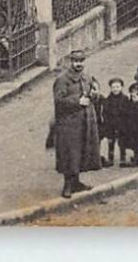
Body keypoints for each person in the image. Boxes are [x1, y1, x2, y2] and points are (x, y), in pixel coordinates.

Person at [52, 49, 101, 198]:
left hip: (85, 120)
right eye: (75, 61)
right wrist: (77, 101)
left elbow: (95, 92)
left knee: (82, 151)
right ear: (70, 62)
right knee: (70, 153)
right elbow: (58, 101)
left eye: (81, 61)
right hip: (69, 122)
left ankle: (77, 183)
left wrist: (95, 94)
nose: (78, 64)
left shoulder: (87, 77)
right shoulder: (62, 80)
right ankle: (67, 185)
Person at [102, 77, 131, 167]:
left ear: (121, 87)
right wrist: (107, 122)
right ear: (110, 88)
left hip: (122, 124)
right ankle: (110, 158)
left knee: (122, 142)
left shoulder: (125, 98)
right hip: (111, 124)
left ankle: (123, 158)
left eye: (118, 87)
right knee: (111, 142)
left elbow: (128, 111)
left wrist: (126, 122)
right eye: (113, 87)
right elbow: (105, 112)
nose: (115, 89)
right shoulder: (108, 100)